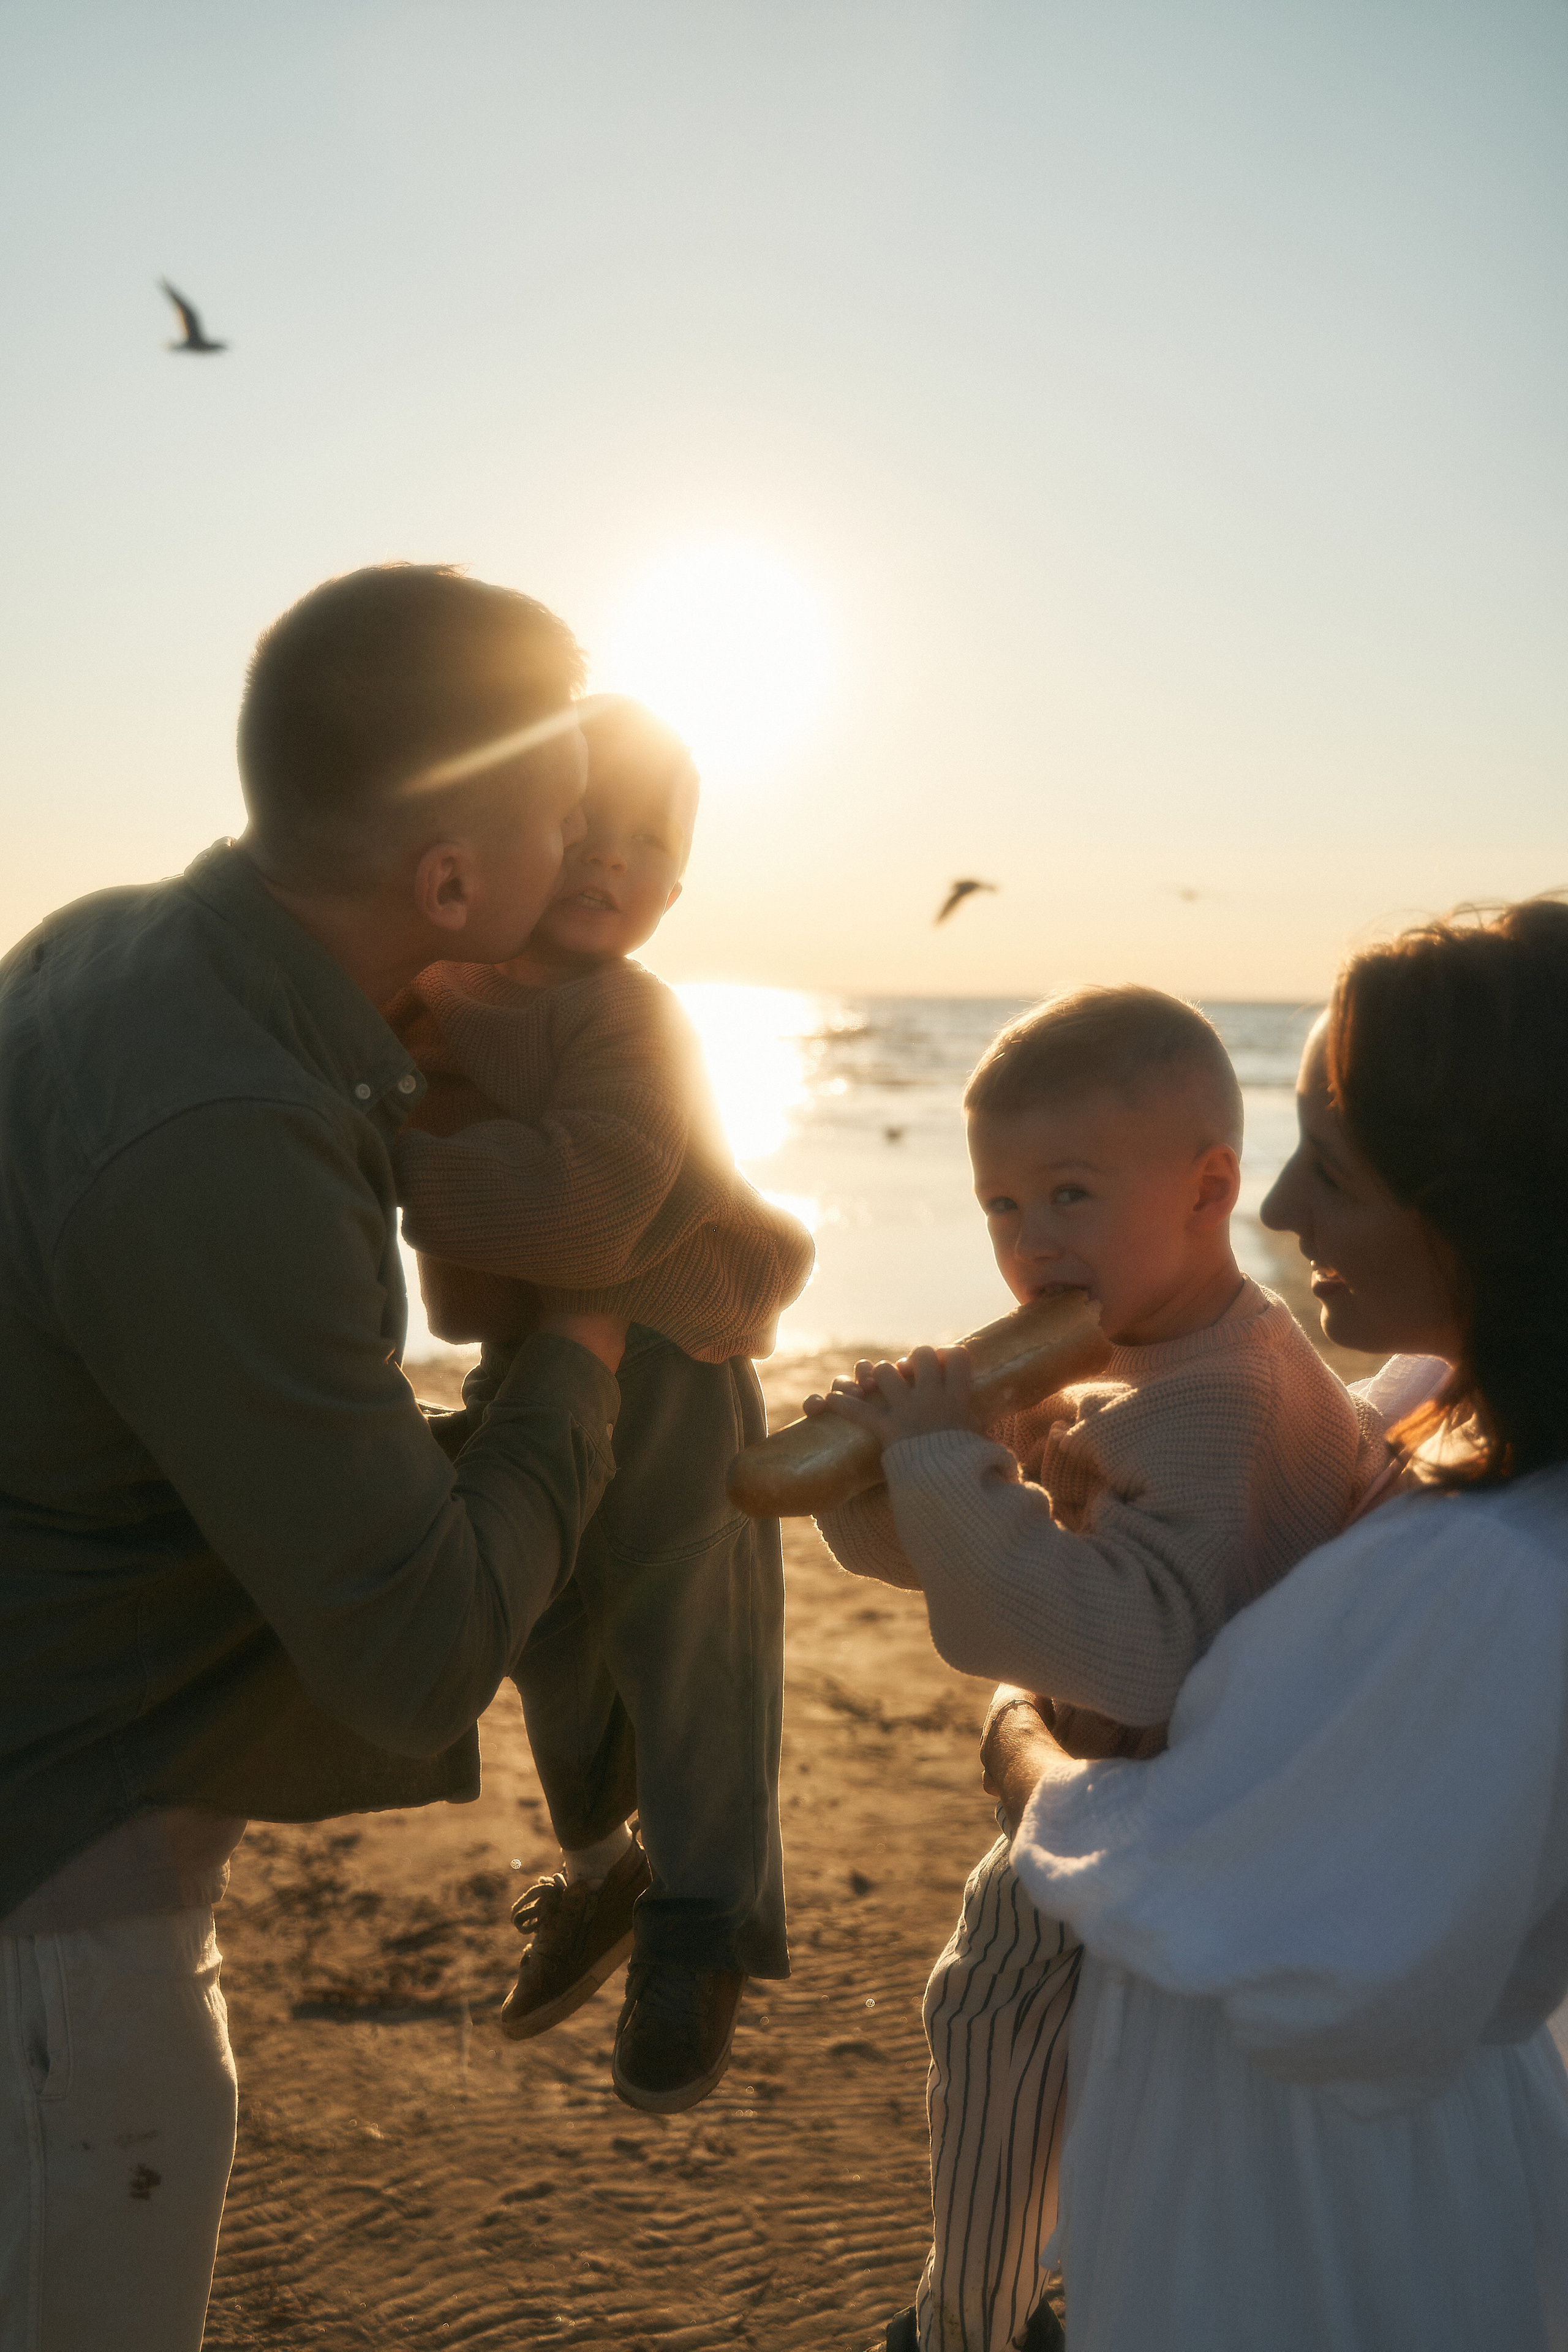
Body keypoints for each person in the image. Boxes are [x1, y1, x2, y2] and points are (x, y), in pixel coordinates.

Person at [0, 564, 630, 2352]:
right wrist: (585, 1342)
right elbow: (414, 1652)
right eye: (560, 817)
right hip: (58, 1944)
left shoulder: (104, 944)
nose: (587, 852)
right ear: (448, 881)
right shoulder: (230, 1133)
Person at [958, 900, 1568, 2350]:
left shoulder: (1492, 1575)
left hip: (1306, 2199)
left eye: (1332, 1171)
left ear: (1488, 1209)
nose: (1278, 1207)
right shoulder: (1442, 1401)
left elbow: (1281, 1936)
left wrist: (1020, 1747)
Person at [809, 986, 1408, 2352]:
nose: (1030, 1242)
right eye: (1001, 1206)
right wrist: (887, 1468)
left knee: (993, 2013)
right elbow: (978, 1555)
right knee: (1039, 2042)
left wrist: (942, 1460)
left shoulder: (1217, 1398)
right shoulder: (1129, 1347)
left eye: (1070, 1194)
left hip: (1158, 1810)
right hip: (1136, 1784)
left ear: (1209, 1190)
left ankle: (970, 2323)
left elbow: (1130, 1648)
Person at [389, 696, 813, 2114]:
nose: (610, 859)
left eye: (648, 844)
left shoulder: (628, 1011)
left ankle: (704, 1924)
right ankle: (600, 1867)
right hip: (536, 1362)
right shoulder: (443, 984)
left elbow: (592, 1208)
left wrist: (376, 1163)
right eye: (581, 826)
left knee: (689, 1639)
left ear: (673, 895)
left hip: (675, 1364)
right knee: (540, 1620)